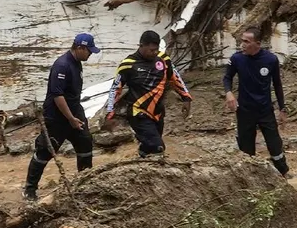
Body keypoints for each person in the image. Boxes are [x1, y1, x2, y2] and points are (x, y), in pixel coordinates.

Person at [23, 33, 100, 200]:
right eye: (89, 51)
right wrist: (70, 119)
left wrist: (75, 116)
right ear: (80, 48)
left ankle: (85, 182)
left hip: (75, 112)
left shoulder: (77, 63)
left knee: (85, 142)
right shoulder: (62, 66)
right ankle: (29, 189)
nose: (90, 54)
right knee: (45, 151)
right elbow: (58, 96)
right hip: (57, 116)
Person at [104, 31, 192, 157]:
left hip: (158, 112)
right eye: (151, 50)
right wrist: (110, 111)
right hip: (138, 112)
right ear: (141, 46)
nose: (154, 53)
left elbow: (175, 78)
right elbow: (115, 88)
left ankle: (142, 158)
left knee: (151, 146)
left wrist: (186, 97)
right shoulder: (128, 64)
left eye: (156, 49)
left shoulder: (164, 60)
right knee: (157, 147)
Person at [223, 27, 289, 176]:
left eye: (247, 41)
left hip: (265, 110)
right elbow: (227, 78)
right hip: (245, 111)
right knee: (246, 150)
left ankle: (283, 174)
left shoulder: (270, 59)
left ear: (257, 43)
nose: (243, 44)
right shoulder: (237, 59)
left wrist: (282, 109)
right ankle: (251, 180)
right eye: (242, 41)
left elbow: (277, 85)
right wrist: (229, 93)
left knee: (275, 146)